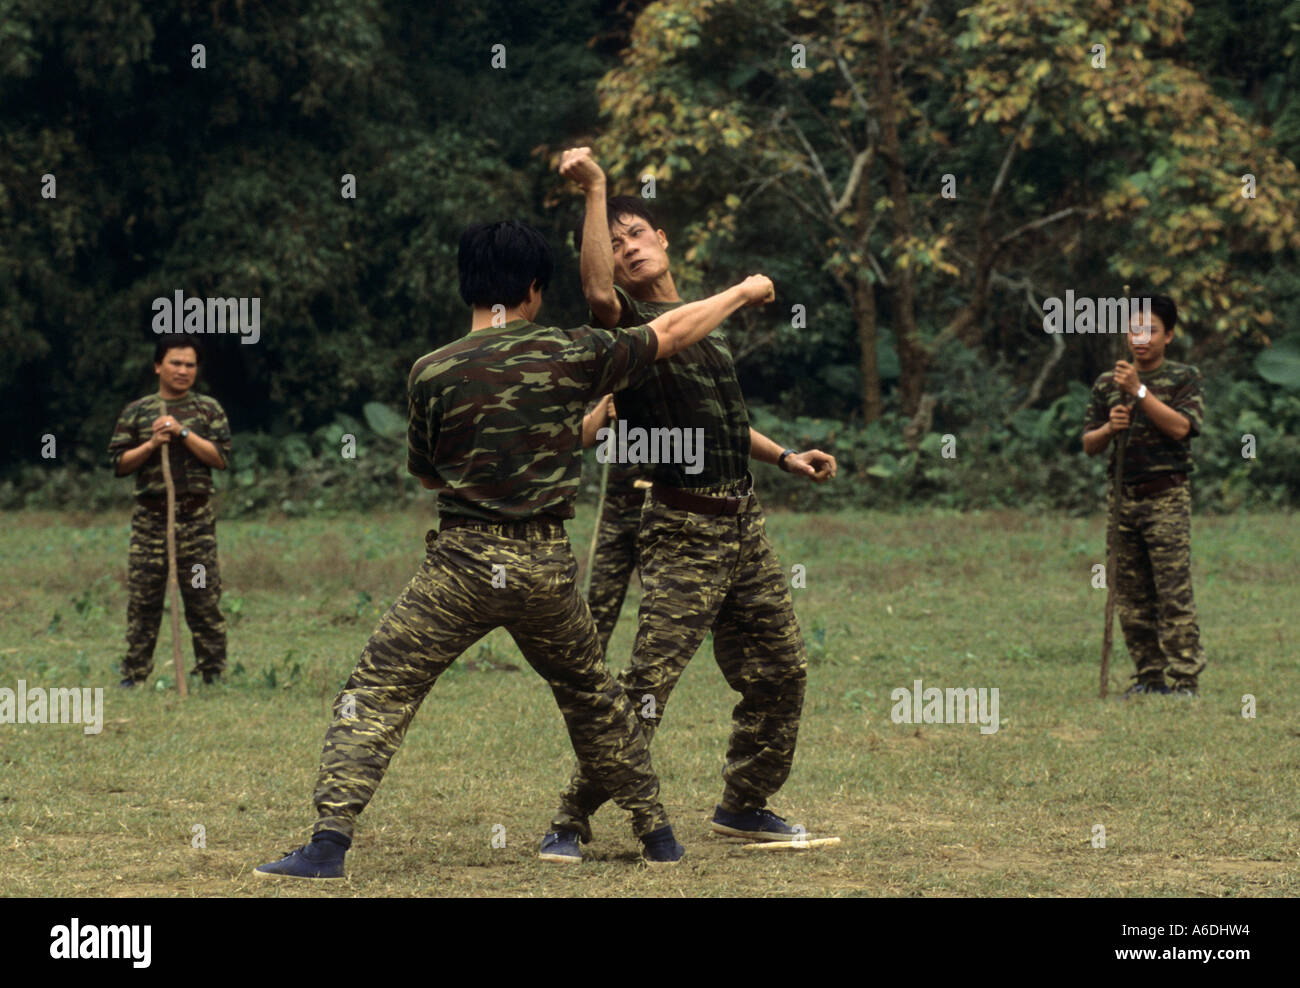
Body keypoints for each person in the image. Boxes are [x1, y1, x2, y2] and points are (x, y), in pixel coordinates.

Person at [255, 219, 775, 879]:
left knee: (381, 688)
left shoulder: (431, 372)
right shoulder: (571, 351)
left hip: (461, 564)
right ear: (533, 288)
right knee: (592, 697)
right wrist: (743, 291)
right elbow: (669, 333)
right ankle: (659, 838)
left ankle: (328, 844)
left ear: (468, 284)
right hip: (545, 565)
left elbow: (426, 473)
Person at [539, 148, 837, 863]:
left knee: (782, 669)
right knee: (647, 688)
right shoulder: (631, 326)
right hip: (683, 529)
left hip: (744, 524)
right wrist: (598, 193)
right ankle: (571, 818)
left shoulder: (697, 327)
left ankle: (744, 803)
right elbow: (598, 295)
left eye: (635, 234)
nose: (627, 247)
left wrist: (785, 457)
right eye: (614, 244)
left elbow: (723, 423)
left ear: (664, 240)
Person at [1083, 294, 1206, 697]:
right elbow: (1089, 444)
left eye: (1151, 330)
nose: (1141, 338)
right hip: (1123, 498)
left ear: (1168, 335)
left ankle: (1185, 679)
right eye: (1134, 329)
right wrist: (1110, 428)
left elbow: (1181, 428)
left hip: (1166, 497)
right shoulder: (1108, 383)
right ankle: (1149, 676)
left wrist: (1139, 393)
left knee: (1172, 591)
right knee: (1131, 595)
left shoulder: (1184, 378)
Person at [107, 335, 232, 688]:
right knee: (144, 599)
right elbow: (119, 464)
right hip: (151, 520)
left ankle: (212, 673)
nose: (183, 370)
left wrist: (183, 432)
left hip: (195, 520)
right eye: (175, 363)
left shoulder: (208, 409)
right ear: (158, 366)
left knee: (202, 596)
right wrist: (151, 443)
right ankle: (134, 675)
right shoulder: (138, 411)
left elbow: (220, 458)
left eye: (190, 365)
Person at [580, 395, 652, 655]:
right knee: (596, 606)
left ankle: (647, 687)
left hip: (660, 514)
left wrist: (634, 415)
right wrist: (608, 402)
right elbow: (585, 436)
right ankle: (587, 686)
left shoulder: (669, 382)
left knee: (662, 610)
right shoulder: (614, 377)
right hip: (614, 512)